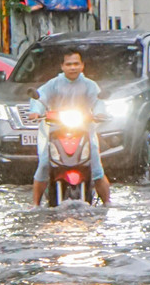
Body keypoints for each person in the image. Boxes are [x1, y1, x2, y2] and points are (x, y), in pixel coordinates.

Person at [29, 48, 111, 206]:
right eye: (69, 64)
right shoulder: (53, 84)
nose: (72, 67)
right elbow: (40, 98)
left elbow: (98, 101)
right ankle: (35, 204)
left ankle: (107, 202)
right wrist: (35, 112)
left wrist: (100, 113)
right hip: (55, 132)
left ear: (82, 66)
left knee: (96, 166)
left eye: (76, 64)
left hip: (83, 131)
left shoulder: (89, 85)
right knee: (45, 163)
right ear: (62, 66)